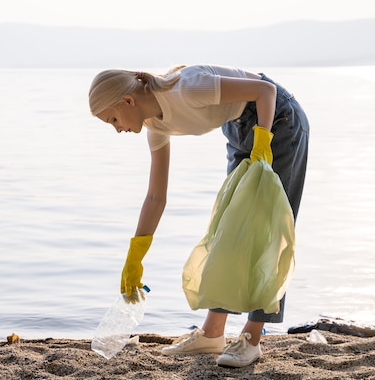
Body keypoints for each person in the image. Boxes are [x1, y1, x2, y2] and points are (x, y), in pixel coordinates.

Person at [88, 65, 309, 368]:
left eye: (113, 119)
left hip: (278, 120)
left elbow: (265, 91)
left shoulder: (188, 88)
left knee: (266, 231)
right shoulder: (155, 126)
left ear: (128, 101)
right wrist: (135, 255)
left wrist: (263, 139)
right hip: (239, 127)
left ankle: (252, 338)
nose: (117, 129)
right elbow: (156, 196)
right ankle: (212, 333)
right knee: (227, 231)